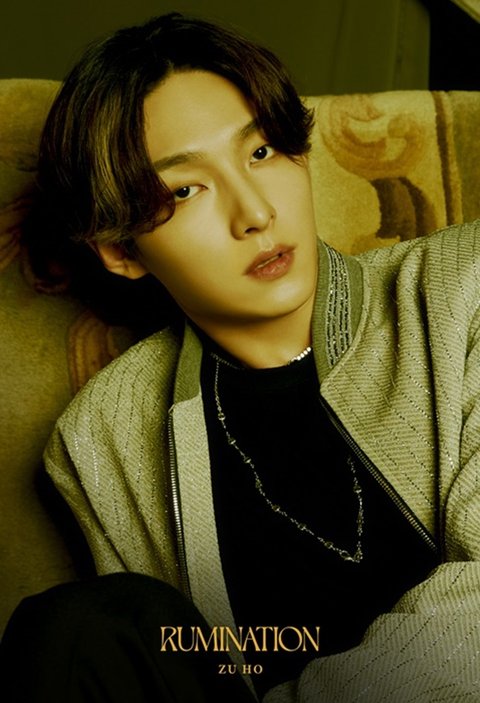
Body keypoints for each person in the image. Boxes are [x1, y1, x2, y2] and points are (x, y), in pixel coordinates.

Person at [2, 11, 480, 703]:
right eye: (184, 189)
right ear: (121, 251)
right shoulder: (104, 437)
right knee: (75, 628)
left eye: (261, 152)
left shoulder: (463, 288)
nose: (254, 212)